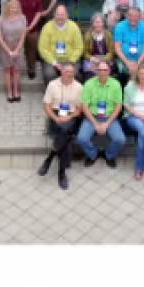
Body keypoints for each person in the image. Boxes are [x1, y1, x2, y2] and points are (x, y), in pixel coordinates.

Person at [39, 60, 85, 190]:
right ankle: (61, 173)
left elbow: (80, 110)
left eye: (72, 72)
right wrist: (56, 118)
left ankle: (49, 159)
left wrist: (69, 117)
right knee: (64, 134)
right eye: (67, 72)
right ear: (61, 71)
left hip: (71, 115)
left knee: (64, 130)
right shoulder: (52, 85)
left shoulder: (79, 87)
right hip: (55, 114)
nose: (70, 74)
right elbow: (46, 106)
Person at [77, 59, 125, 168]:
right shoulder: (89, 84)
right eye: (100, 70)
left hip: (109, 117)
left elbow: (118, 106)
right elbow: (84, 106)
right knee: (81, 138)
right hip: (92, 117)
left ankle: (108, 155)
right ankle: (93, 154)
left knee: (120, 139)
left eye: (105, 70)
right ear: (96, 71)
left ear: (109, 71)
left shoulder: (115, 84)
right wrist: (95, 123)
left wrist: (107, 123)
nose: (102, 72)